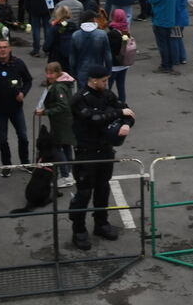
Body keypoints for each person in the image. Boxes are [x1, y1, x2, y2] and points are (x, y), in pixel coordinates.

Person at [68, 65, 135, 250]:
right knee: (83, 193)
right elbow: (92, 118)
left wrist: (126, 124)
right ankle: (79, 230)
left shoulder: (108, 95)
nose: (106, 84)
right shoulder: (79, 99)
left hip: (105, 150)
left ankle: (101, 223)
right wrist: (119, 114)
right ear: (94, 80)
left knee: (103, 188)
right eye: (104, 81)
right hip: (86, 152)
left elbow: (127, 111)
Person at [0, 38, 32, 176]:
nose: (3, 50)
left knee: (23, 136)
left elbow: (28, 80)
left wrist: (23, 92)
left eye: (5, 47)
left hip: (16, 108)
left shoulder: (18, 64)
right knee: (3, 139)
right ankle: (7, 165)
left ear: (10, 48)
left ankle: (25, 162)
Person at [34, 61, 78, 189]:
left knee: (57, 148)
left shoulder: (58, 87)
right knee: (66, 147)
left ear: (58, 73)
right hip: (66, 121)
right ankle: (69, 173)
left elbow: (62, 106)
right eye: (47, 73)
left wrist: (45, 112)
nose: (48, 76)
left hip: (61, 123)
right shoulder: (65, 83)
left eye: (51, 73)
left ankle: (65, 175)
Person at [147, 0, 180, 74]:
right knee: (169, 43)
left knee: (162, 45)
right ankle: (170, 64)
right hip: (170, 19)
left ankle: (165, 65)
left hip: (160, 20)